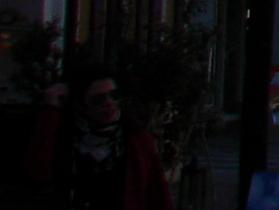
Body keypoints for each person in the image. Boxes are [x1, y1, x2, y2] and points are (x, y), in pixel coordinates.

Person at [32, 69, 173, 210]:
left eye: (114, 95)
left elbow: (157, 192)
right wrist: (51, 110)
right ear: (81, 105)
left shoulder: (137, 140)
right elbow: (39, 172)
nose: (109, 103)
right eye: (98, 100)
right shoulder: (68, 139)